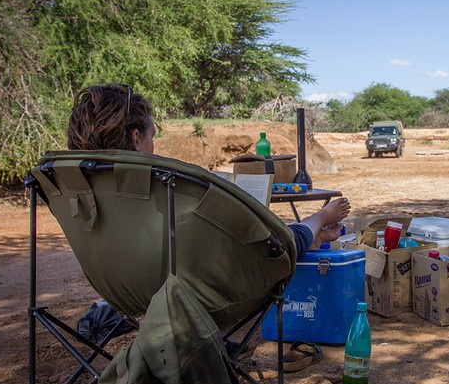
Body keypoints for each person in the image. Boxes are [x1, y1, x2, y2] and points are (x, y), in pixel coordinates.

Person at [67, 83, 350, 255]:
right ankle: (319, 220)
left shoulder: (77, 185)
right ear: (136, 138)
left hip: (120, 289)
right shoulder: (163, 185)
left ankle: (315, 233)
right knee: (281, 243)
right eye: (152, 135)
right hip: (188, 290)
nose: (154, 144)